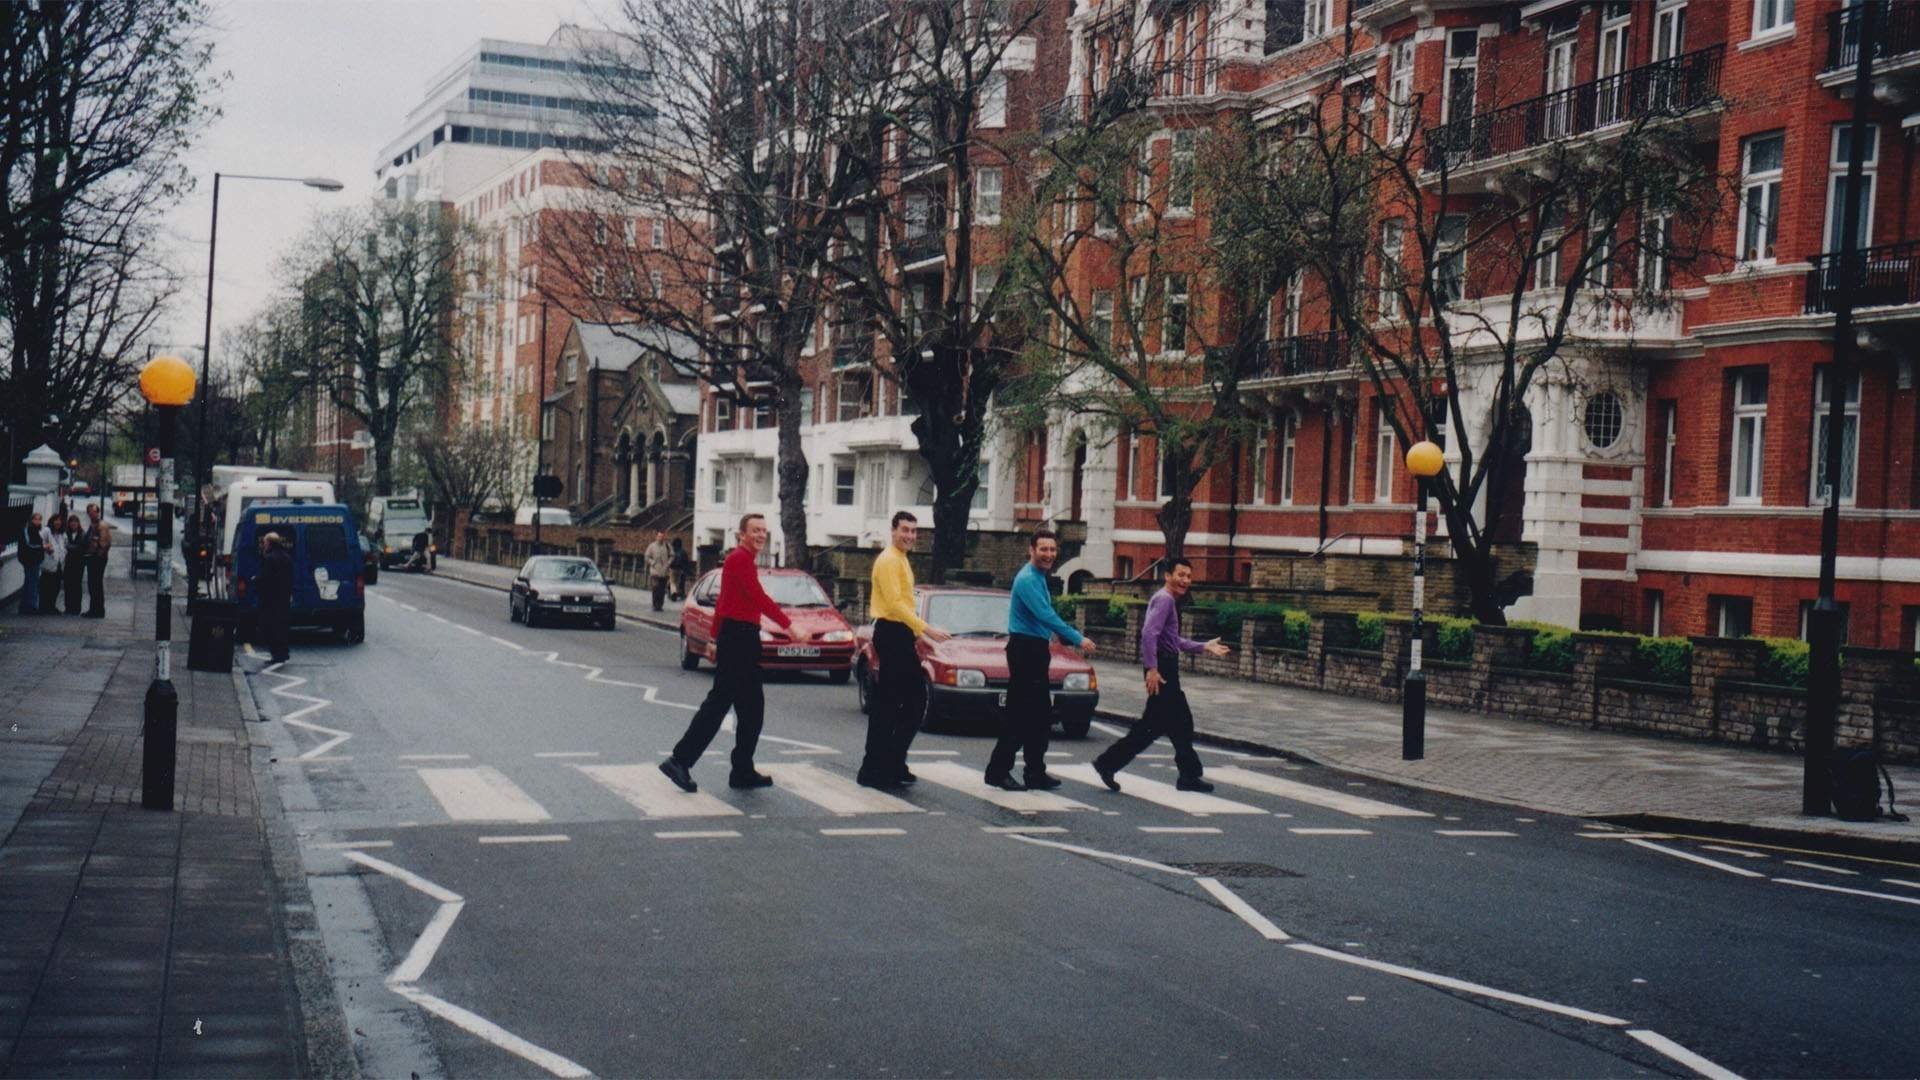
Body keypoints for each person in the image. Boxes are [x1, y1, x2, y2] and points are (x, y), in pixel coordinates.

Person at [659, 513, 812, 793]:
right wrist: (790, 626)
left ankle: (741, 769)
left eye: (764, 531)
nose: (760, 535)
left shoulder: (742, 561)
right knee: (719, 704)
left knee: (751, 708)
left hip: (739, 637)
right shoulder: (739, 560)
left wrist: (714, 638)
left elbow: (725, 603)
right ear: (742, 533)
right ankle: (679, 760)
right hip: (740, 639)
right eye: (755, 530)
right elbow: (758, 598)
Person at [1093, 557, 1231, 794]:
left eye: (1188, 576)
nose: (1185, 580)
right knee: (1177, 723)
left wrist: (1203, 646)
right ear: (1167, 576)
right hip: (1163, 669)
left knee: (1159, 725)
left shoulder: (1167, 600)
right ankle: (1187, 776)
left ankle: (1109, 763)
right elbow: (1148, 634)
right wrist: (1152, 669)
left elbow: (1172, 640)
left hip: (1165, 665)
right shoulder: (1165, 599)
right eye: (1180, 575)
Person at [985, 528, 1096, 792]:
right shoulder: (1027, 579)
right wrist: (1077, 638)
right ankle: (997, 771)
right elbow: (1046, 615)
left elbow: (1043, 618)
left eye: (1052, 549)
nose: (1049, 554)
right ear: (1031, 550)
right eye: (1043, 549)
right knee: (1020, 714)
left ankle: (1035, 772)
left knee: (1040, 715)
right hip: (1025, 650)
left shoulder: (1038, 576)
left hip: (1035, 649)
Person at [859, 511, 950, 789]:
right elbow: (896, 604)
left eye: (913, 531)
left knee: (910, 702)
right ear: (893, 531)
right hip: (890, 632)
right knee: (895, 703)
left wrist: (918, 635)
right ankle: (876, 768)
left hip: (900, 634)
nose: (910, 536)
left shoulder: (901, 560)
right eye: (905, 530)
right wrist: (926, 629)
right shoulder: (888, 560)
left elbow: (905, 604)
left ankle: (891, 762)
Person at [254, 531, 295, 664]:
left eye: (265, 543)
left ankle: (276, 654)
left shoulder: (269, 558)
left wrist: (256, 579)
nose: (263, 545)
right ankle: (283, 653)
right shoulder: (287, 557)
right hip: (283, 597)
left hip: (270, 599)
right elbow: (289, 578)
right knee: (282, 626)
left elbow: (266, 578)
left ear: (270, 543)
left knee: (269, 627)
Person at [15, 511, 49, 615]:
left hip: (35, 560)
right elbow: (29, 545)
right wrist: (42, 547)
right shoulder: (27, 530)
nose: (38, 521)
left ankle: (24, 606)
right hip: (29, 560)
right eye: (36, 519)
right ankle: (31, 606)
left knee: (30, 582)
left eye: (39, 519)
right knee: (32, 583)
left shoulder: (36, 530)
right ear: (31, 520)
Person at [82, 503, 111, 618]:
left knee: (96, 585)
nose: (91, 514)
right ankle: (94, 609)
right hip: (92, 558)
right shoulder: (93, 524)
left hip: (97, 559)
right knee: (92, 585)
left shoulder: (102, 525)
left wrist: (97, 556)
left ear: (97, 512)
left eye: (93, 511)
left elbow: (105, 544)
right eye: (89, 511)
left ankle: (98, 610)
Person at [40, 512, 66, 614]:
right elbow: (39, 541)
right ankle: (44, 607)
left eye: (60, 520)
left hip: (58, 563)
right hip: (48, 563)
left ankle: (51, 606)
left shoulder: (60, 534)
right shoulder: (47, 531)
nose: (58, 522)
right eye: (56, 520)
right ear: (52, 521)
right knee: (46, 585)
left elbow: (62, 547)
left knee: (55, 586)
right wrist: (46, 547)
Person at [62, 514, 86, 615]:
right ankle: (68, 607)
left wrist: (69, 547)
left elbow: (81, 548)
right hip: (68, 563)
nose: (73, 524)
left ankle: (76, 608)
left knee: (76, 585)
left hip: (78, 563)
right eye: (71, 522)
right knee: (67, 585)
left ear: (78, 523)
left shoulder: (82, 534)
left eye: (75, 522)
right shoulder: (66, 534)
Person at [644, 530, 672, 612]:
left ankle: (660, 605)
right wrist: (652, 562)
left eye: (662, 536)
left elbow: (672, 555)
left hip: (664, 572)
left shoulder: (667, 546)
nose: (661, 538)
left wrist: (668, 563)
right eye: (659, 536)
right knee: (656, 588)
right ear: (656, 537)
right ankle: (655, 605)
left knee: (662, 590)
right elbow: (646, 556)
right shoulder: (651, 546)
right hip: (655, 571)